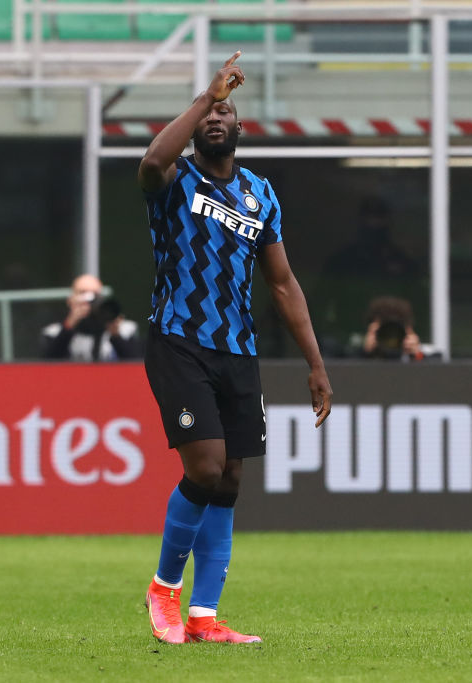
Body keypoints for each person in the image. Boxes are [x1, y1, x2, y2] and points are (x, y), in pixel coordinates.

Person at [138, 52, 333, 645]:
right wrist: (204, 93)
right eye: (207, 112)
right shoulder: (174, 182)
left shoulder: (259, 194)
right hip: (178, 339)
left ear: (240, 127)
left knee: (230, 481)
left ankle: (204, 617)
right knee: (205, 465)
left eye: (226, 110)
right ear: (195, 125)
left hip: (236, 350)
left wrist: (316, 364)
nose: (216, 117)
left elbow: (281, 282)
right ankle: (163, 591)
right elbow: (151, 158)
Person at [312, 195, 424, 356]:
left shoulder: (404, 263)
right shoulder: (341, 262)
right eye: (370, 219)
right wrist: (357, 349)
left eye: (379, 219)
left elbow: (420, 307)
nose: (374, 225)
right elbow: (320, 308)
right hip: (349, 344)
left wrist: (416, 350)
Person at [40, 273, 140, 361]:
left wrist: (116, 335)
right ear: (70, 301)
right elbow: (47, 366)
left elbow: (137, 367)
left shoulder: (126, 330)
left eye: (95, 294)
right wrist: (68, 327)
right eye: (83, 293)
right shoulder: (53, 333)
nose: (90, 301)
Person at [355, 295, 435, 362]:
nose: (391, 338)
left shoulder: (426, 357)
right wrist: (365, 353)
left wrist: (418, 355)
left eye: (395, 331)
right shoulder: (358, 357)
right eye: (385, 331)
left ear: (408, 331)